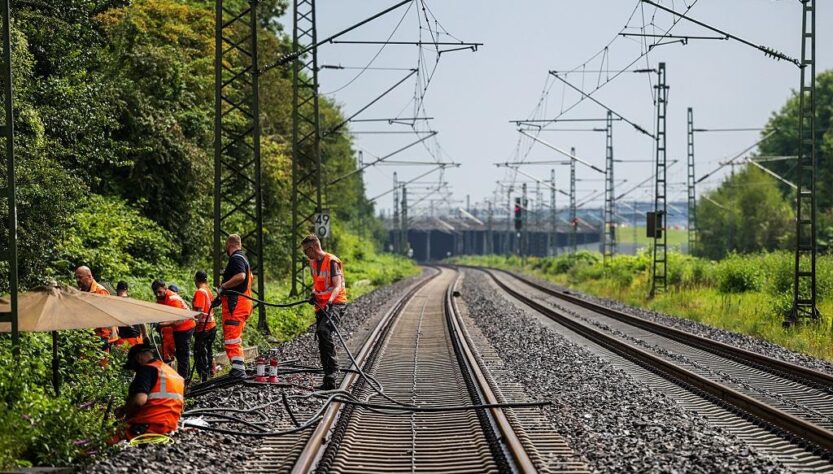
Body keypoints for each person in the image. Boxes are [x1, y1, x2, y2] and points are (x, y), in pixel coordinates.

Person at [111, 343, 184, 442]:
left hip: (147, 426)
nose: (135, 371)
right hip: (170, 427)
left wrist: (123, 411)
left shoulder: (147, 369)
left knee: (104, 441)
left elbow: (139, 401)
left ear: (138, 358)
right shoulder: (172, 373)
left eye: (134, 367)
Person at [302, 233, 348, 390]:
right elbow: (317, 283)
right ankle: (329, 378)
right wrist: (313, 294)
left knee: (323, 331)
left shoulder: (332, 261)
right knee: (322, 339)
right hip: (321, 305)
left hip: (336, 303)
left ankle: (333, 372)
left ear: (314, 247)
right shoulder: (313, 263)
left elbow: (337, 286)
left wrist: (329, 302)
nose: (305, 254)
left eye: (306, 250)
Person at [216, 234, 253, 379]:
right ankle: (238, 367)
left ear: (229, 245)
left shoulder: (236, 258)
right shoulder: (244, 258)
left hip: (236, 305)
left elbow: (241, 276)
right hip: (242, 303)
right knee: (235, 337)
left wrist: (223, 286)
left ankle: (238, 370)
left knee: (232, 337)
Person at [152, 280, 196, 381]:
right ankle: (186, 377)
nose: (158, 295)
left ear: (165, 288)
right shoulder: (161, 298)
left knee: (182, 354)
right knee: (180, 353)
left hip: (186, 326)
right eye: (156, 293)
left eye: (159, 292)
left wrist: (162, 325)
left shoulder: (173, 299)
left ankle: (183, 380)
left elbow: (178, 321)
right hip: (177, 328)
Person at [75, 266, 118, 352]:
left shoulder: (100, 291)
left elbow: (109, 314)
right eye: (76, 278)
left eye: (80, 277)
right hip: (87, 335)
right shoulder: (81, 291)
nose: (77, 280)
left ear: (89, 276)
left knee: (101, 360)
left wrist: (106, 337)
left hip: (102, 336)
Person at [192, 270, 217, 383]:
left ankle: (204, 378)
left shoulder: (200, 292)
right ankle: (210, 374)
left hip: (203, 328)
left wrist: (194, 325)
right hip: (212, 326)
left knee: (200, 353)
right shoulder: (208, 290)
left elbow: (200, 311)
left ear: (196, 280)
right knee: (208, 351)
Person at [114, 281, 146, 347]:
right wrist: (145, 335)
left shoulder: (115, 303)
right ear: (127, 290)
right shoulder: (134, 303)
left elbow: (114, 325)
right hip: (136, 338)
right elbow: (142, 322)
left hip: (123, 340)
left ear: (117, 290)